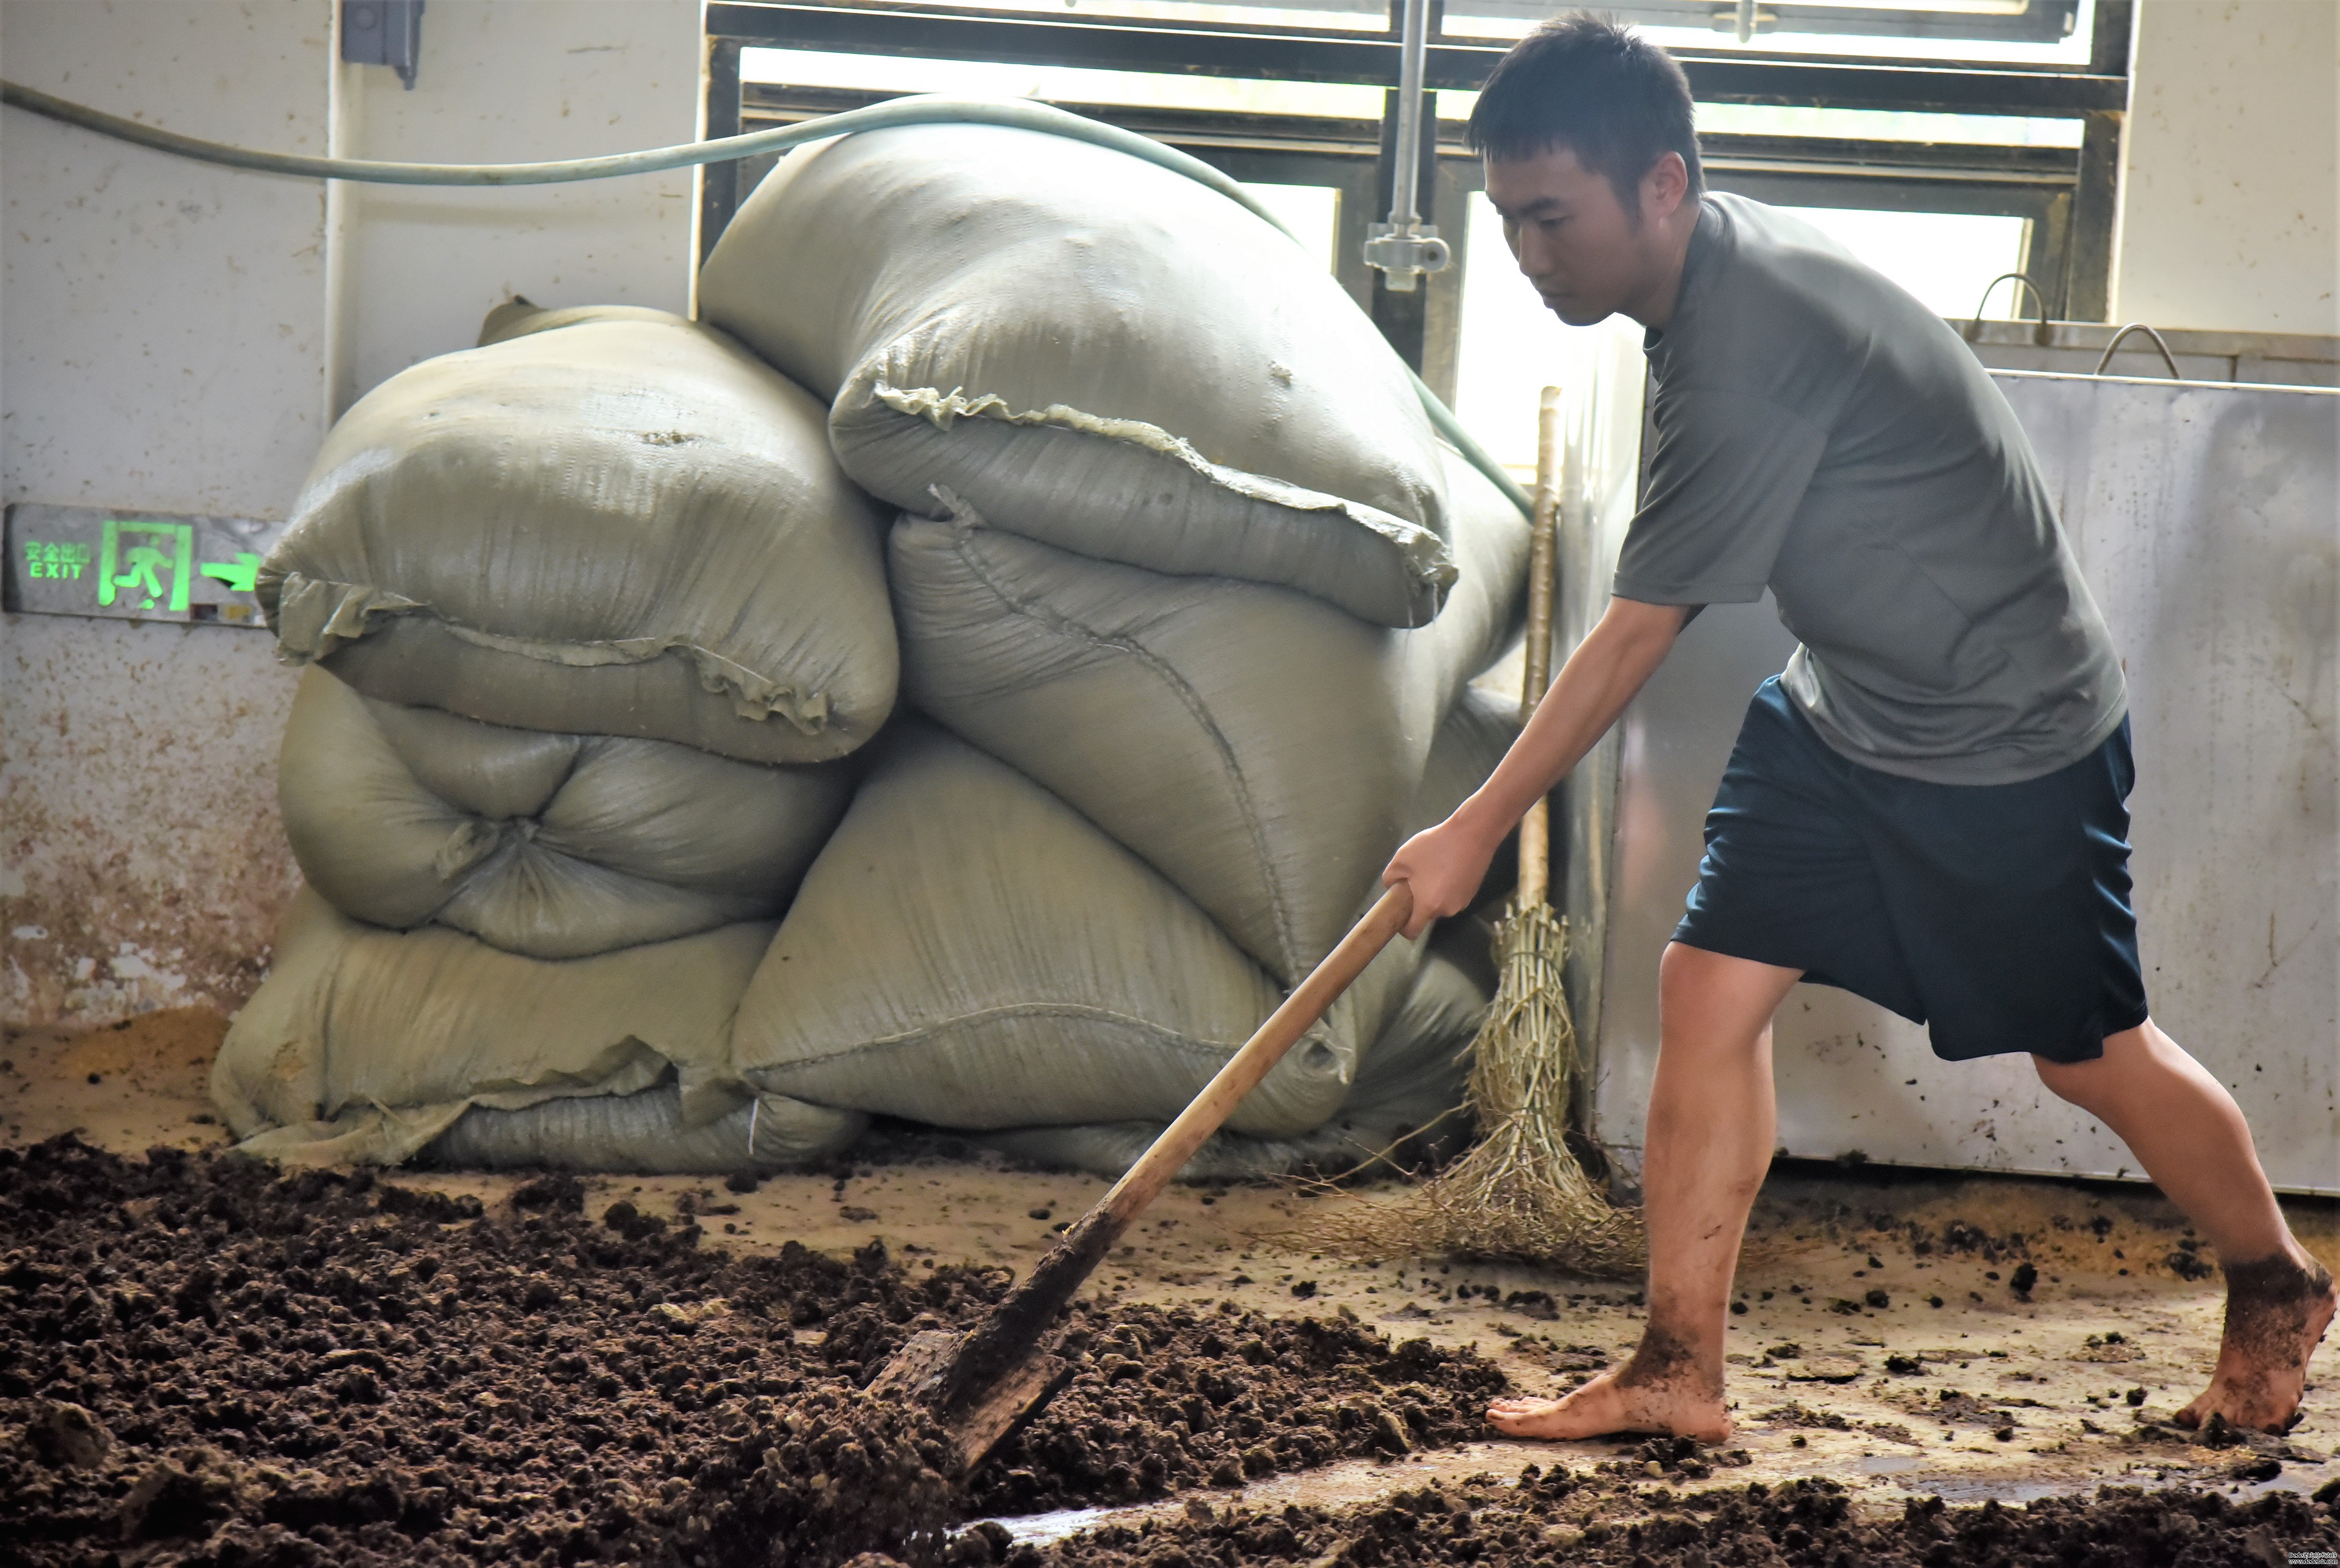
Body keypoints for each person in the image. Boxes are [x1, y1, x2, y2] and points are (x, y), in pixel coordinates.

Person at [1382, 12, 2334, 1442]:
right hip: (1846, 712)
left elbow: (1641, 627)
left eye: (1551, 218)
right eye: (1508, 218)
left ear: (1663, 186)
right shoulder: (1696, 290)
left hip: (2005, 737)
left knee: (2087, 1052)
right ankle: (1677, 1368)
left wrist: (1474, 823)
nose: (1526, 255)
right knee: (1708, 987)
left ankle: (2276, 1280)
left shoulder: (1755, 335)